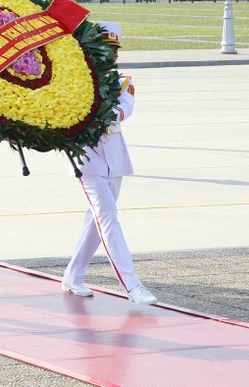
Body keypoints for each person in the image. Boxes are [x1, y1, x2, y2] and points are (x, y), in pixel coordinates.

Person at [61, 22, 158, 306]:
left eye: (115, 50)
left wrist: (107, 112)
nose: (112, 55)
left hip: (114, 154)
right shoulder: (77, 80)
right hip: (87, 154)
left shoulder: (122, 81)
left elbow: (125, 107)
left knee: (96, 220)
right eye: (107, 49)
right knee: (107, 218)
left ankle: (72, 276)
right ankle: (132, 285)